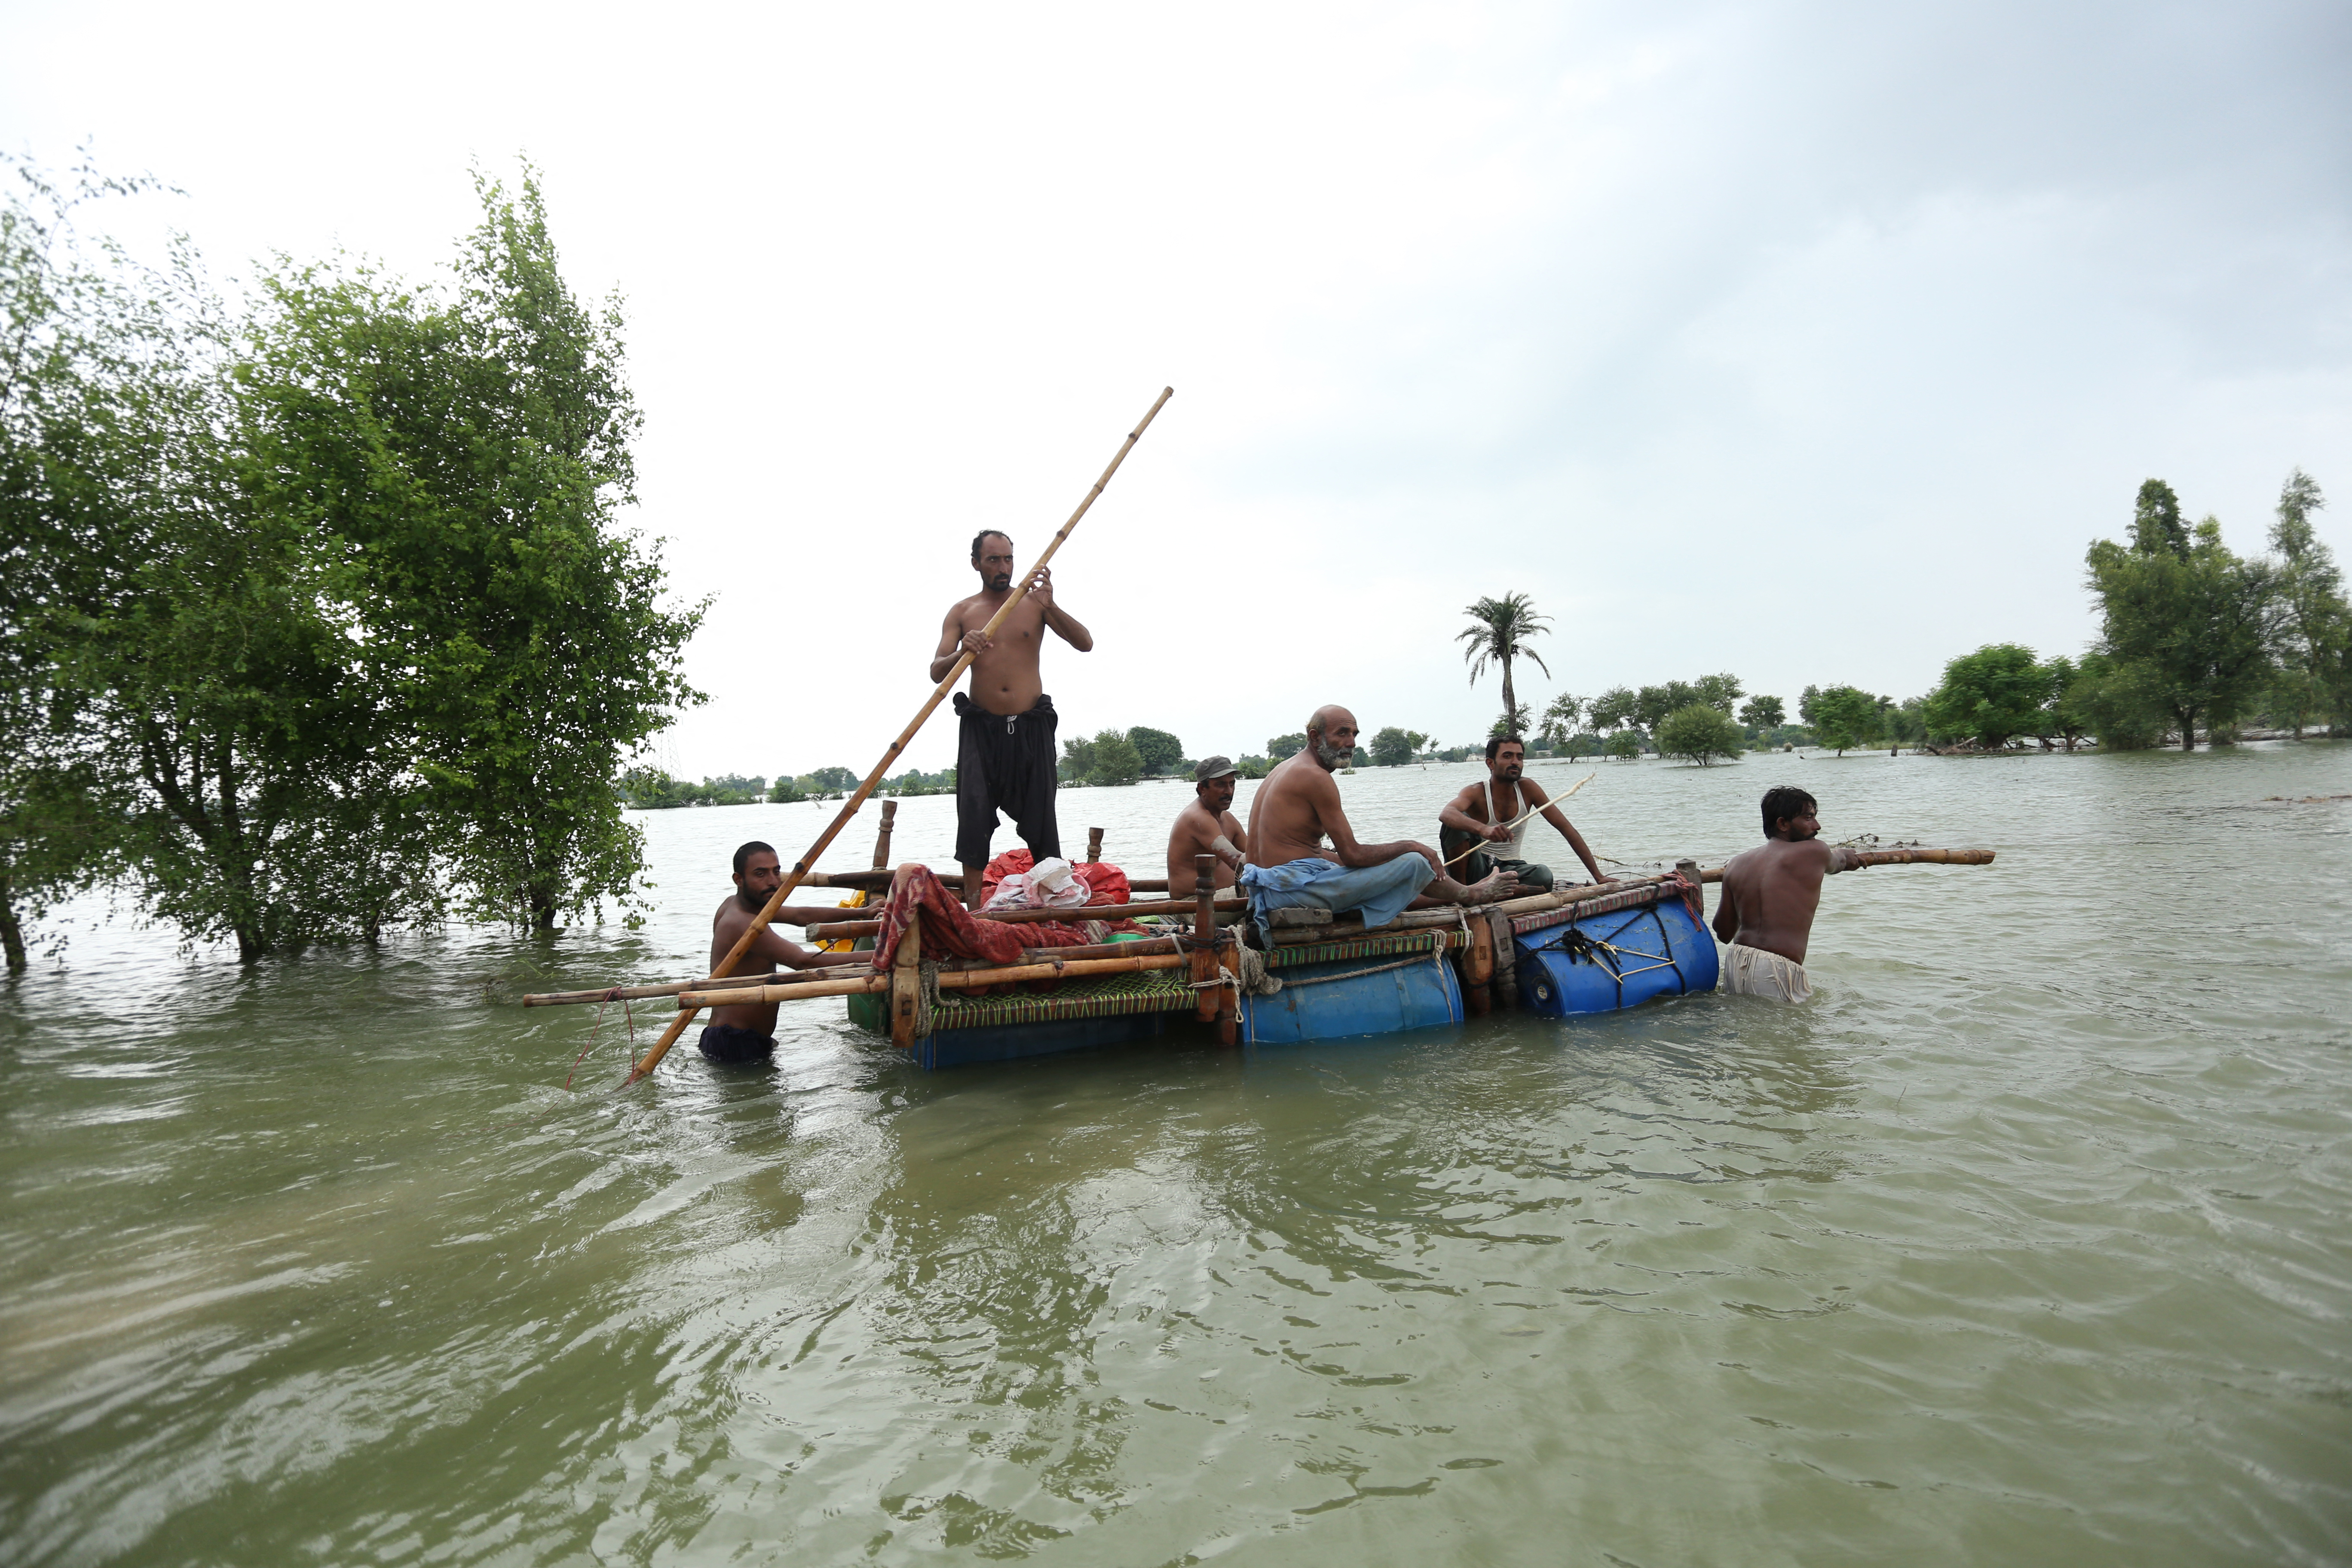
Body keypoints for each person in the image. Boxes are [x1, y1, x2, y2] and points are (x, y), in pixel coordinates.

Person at [1240, 704, 1518, 937]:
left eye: (1354, 734)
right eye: (1342, 734)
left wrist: (1384, 863)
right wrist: (1411, 846)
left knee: (1388, 868)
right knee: (1414, 862)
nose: (1351, 743)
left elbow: (1313, 852)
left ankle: (1462, 892)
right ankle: (1472, 895)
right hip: (1289, 892)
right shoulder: (1315, 777)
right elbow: (1353, 855)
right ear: (1315, 737)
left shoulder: (1284, 769)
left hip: (1271, 889)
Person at [930, 529, 1094, 908]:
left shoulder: (1034, 604)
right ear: (976, 564)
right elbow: (937, 672)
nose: (1003, 568)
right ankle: (975, 910)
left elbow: (1085, 643)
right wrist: (963, 651)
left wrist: (1051, 605)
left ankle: (1054, 904)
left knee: (1042, 822)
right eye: (993, 560)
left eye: (1008, 559)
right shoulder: (962, 612)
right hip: (981, 730)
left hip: (1031, 729)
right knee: (973, 820)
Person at [699, 841, 861, 1063]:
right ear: (739, 879)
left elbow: (800, 916)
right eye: (760, 874)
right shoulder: (740, 922)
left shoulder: (742, 905)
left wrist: (863, 913)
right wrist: (878, 956)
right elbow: (804, 962)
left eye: (776, 872)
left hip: (746, 1039)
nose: (773, 882)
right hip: (735, 1042)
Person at [1710, 786, 1866, 1001]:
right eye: (1808, 818)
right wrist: (1844, 853)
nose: (1817, 826)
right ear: (1783, 824)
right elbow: (1837, 863)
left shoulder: (1736, 864)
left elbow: (1724, 933)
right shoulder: (1816, 850)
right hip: (1775, 968)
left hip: (1736, 962)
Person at [1436, 734, 1606, 892]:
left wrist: (1598, 876)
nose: (1515, 762)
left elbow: (1566, 829)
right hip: (1478, 869)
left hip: (1510, 868)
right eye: (1507, 756)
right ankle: (1464, 893)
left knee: (1543, 875)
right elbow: (1447, 813)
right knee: (1455, 823)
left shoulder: (1528, 789)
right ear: (1491, 763)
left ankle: (1495, 891)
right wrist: (1484, 830)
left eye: (1520, 757)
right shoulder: (1475, 792)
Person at [1167, 756, 1249, 898]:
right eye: (1220, 785)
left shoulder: (1228, 819)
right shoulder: (1197, 818)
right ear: (1202, 789)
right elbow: (1236, 861)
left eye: (1232, 784)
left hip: (1220, 895)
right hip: (1194, 901)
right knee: (1264, 891)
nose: (1229, 792)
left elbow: (1255, 853)